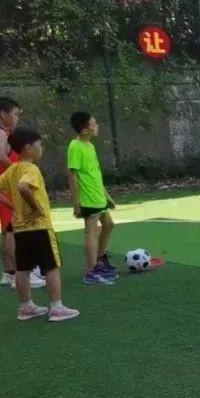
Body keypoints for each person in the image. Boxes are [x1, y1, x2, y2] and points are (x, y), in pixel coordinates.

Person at [0, 128, 79, 322]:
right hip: (39, 227)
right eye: (39, 144)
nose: (42, 148)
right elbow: (23, 187)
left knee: (22, 269)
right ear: (28, 148)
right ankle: (56, 308)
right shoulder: (31, 169)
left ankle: (26, 307)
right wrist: (37, 209)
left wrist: (12, 206)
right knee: (51, 267)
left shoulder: (13, 169)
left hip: (20, 229)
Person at [0, 97, 45, 289]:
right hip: (6, 188)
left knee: (7, 230)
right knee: (14, 231)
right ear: (3, 114)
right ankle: (22, 274)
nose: (17, 118)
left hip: (1, 186)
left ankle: (9, 273)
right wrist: (17, 172)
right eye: (15, 114)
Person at [67, 112, 118, 285]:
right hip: (88, 197)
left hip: (98, 196)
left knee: (108, 224)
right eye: (93, 124)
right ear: (84, 129)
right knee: (91, 232)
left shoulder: (89, 146)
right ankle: (91, 271)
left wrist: (106, 196)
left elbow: (95, 174)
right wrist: (76, 203)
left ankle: (100, 259)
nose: (97, 126)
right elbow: (72, 176)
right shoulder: (75, 146)